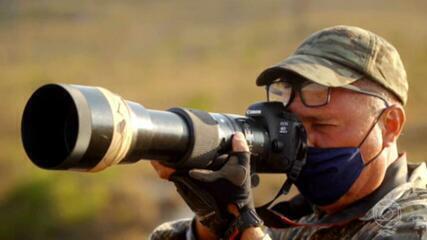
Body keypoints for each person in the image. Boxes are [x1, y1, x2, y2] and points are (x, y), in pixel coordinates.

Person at [149, 25, 427, 240]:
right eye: (297, 127)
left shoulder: (415, 223)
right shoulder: (296, 221)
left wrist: (245, 226)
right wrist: (215, 219)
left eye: (322, 126)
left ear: (390, 124)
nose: (306, 142)